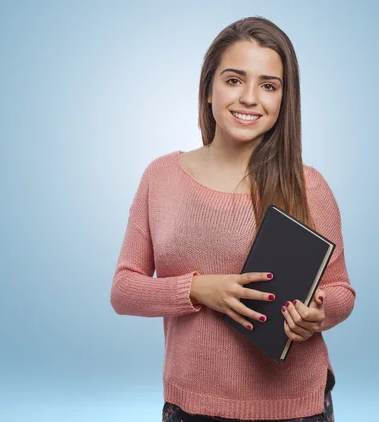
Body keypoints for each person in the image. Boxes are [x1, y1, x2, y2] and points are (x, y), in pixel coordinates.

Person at [111, 16, 356, 422]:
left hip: (295, 409)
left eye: (268, 86)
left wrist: (318, 314)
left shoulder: (308, 186)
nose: (249, 98)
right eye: (234, 80)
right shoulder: (161, 177)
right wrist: (198, 290)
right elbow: (123, 290)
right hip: (192, 406)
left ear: (283, 100)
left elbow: (341, 291)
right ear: (209, 88)